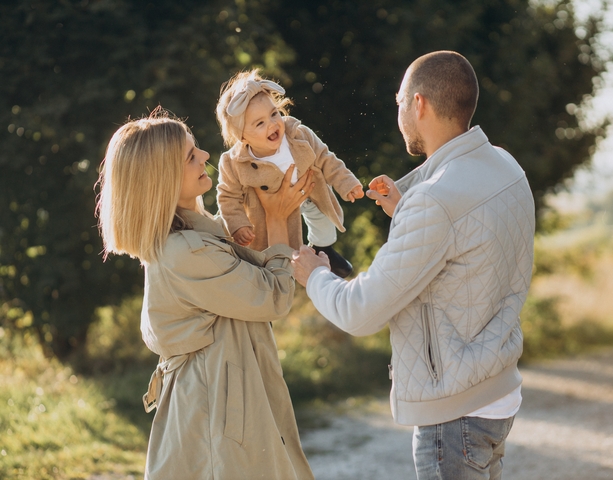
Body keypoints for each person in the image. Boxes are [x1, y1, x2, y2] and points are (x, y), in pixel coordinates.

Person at [292, 51, 535, 479]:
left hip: (455, 417)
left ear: (419, 104)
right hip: (497, 396)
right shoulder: (505, 165)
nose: (398, 110)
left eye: (400, 100)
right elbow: (473, 246)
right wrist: (407, 210)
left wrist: (314, 274)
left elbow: (360, 311)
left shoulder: (436, 203)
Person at [96, 108, 315, 480]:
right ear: (161, 178)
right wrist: (277, 219)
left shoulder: (199, 236)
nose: (205, 157)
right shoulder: (187, 252)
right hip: (218, 420)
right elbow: (273, 297)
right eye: (190, 156)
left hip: (220, 408)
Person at [215, 69, 364, 278]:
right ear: (242, 137)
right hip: (272, 213)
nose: (272, 124)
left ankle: (324, 249)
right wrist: (238, 225)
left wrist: (346, 183)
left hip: (310, 193)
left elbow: (325, 157)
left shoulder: (297, 134)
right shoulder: (234, 163)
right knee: (281, 248)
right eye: (260, 123)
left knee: (324, 222)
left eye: (274, 113)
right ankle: (289, 271)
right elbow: (228, 196)